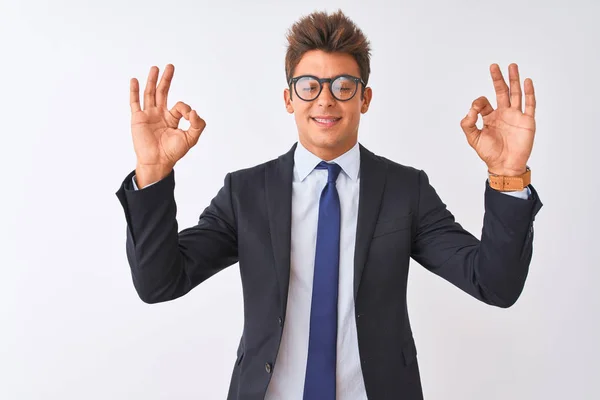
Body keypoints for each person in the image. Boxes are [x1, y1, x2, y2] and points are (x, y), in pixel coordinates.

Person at [115, 9, 543, 400]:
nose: (325, 100)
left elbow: (494, 284)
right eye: (308, 86)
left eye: (343, 86)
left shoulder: (404, 190)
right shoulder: (246, 192)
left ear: (365, 98)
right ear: (289, 100)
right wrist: (152, 172)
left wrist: (508, 177)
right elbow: (159, 283)